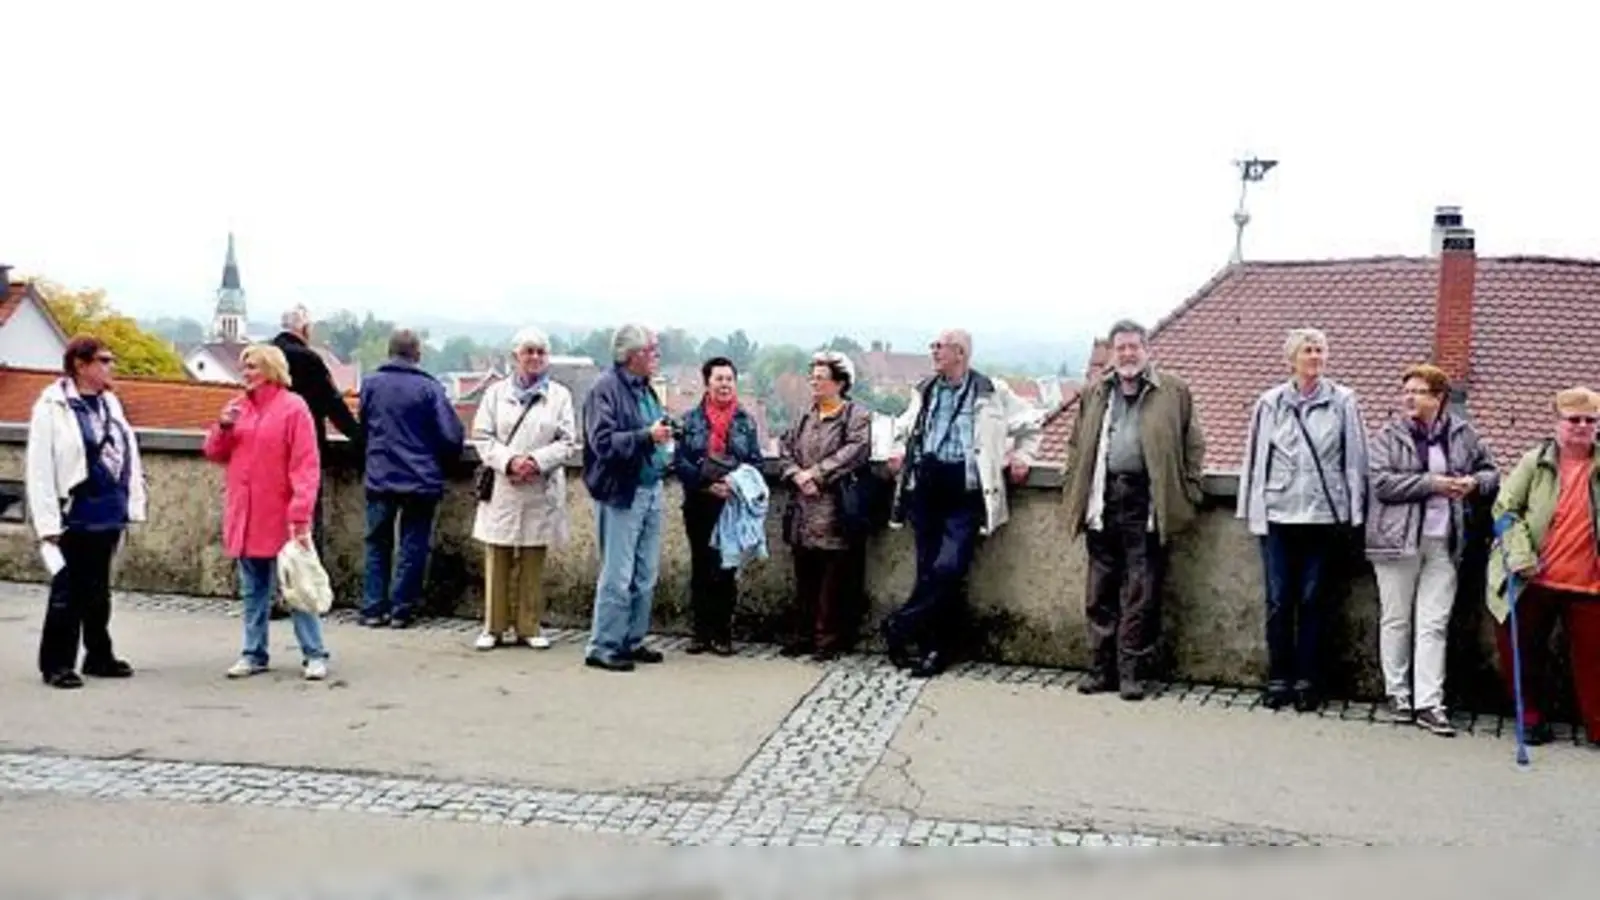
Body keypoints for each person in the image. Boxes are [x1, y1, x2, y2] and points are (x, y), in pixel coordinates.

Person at [883, 328, 1043, 678]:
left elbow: (1032, 423)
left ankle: (900, 625)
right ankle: (932, 648)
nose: (934, 352)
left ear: (960, 353)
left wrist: (1023, 456)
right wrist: (897, 450)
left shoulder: (990, 391)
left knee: (948, 567)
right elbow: (904, 429)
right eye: (933, 346)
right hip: (926, 487)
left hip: (966, 490)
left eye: (940, 347)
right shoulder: (926, 390)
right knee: (929, 569)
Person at [1062, 320, 1206, 701]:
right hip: (1103, 498)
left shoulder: (1173, 391)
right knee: (1100, 590)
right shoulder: (1095, 392)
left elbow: (1194, 445)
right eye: (1120, 347)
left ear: (1147, 350)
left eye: (1134, 347)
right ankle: (1100, 669)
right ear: (1111, 353)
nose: (1127, 354)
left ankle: (1132, 672)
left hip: (1147, 500)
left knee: (1141, 592)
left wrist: (1189, 492)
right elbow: (1076, 445)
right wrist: (1071, 486)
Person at [1237, 328, 1369, 712]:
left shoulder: (1343, 401)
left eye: (1320, 350)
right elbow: (1255, 458)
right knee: (1279, 600)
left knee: (1314, 599)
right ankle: (1279, 677)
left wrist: (1353, 511)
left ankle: (1309, 680)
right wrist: (1252, 510)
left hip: (1322, 515)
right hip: (1279, 513)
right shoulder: (1269, 403)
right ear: (1291, 359)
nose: (1314, 356)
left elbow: (1354, 459)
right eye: (1307, 350)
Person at [1365, 364, 1497, 736]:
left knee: (1434, 623)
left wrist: (1473, 482)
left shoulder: (1463, 433)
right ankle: (1398, 694)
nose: (1409, 397)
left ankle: (1429, 702)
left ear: (1439, 398)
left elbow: (1492, 472)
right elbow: (1381, 483)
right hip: (1396, 541)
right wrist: (1432, 484)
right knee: (1396, 619)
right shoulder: (1388, 435)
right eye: (1406, 390)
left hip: (1445, 541)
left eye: (1419, 391)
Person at [203, 344, 331, 681]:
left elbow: (306, 465)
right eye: (244, 366)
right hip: (246, 513)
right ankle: (253, 651)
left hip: (280, 512)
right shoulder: (237, 408)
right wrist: (223, 427)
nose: (245, 372)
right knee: (253, 590)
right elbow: (215, 452)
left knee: (296, 585)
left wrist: (300, 512)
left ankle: (314, 652)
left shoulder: (294, 408)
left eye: (253, 366)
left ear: (272, 369)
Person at [25, 336, 148, 689]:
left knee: (98, 590)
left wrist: (132, 502)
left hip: (108, 509)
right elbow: (40, 468)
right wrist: (47, 522)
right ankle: (57, 663)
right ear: (81, 364)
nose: (111, 367)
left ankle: (98, 653)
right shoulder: (52, 406)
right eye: (104, 361)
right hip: (74, 511)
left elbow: (127, 454)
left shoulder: (110, 403)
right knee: (68, 590)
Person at [1488, 387, 1600, 746]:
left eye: (1590, 420)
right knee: (1519, 648)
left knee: (1593, 663)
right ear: (1557, 423)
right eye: (1573, 419)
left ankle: (1596, 725)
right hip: (1534, 577)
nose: (1581, 426)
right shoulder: (1534, 462)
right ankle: (1530, 716)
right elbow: (1505, 511)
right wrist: (1519, 556)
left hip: (1589, 583)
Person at [470, 327, 577, 651]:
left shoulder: (560, 396)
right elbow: (482, 436)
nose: (534, 358)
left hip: (539, 486)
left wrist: (535, 461)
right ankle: (494, 626)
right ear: (516, 357)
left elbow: (568, 441)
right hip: (504, 486)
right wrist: (510, 461)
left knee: (533, 556)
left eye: (540, 352)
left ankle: (529, 626)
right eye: (528, 352)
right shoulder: (495, 394)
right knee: (498, 554)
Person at [358, 329, 465, 629]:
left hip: (380, 476)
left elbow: (363, 428)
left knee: (377, 542)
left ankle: (372, 608)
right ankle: (401, 609)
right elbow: (451, 435)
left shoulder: (371, 384)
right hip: (420, 479)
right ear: (417, 354)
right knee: (412, 544)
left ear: (390, 352)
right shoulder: (429, 389)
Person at [581, 324, 673, 672]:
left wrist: (661, 434)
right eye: (653, 349)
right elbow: (602, 443)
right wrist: (646, 436)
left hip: (651, 488)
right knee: (617, 574)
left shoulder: (645, 388)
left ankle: (631, 639)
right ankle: (603, 645)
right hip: (622, 491)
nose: (658, 356)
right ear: (634, 355)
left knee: (645, 573)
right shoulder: (604, 389)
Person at [778, 350, 873, 661]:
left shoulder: (855, 416)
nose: (814, 383)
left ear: (840, 383)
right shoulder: (804, 415)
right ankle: (802, 634)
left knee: (833, 581)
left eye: (821, 378)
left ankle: (828, 638)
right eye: (813, 378)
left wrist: (817, 474)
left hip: (835, 507)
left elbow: (855, 451)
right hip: (803, 509)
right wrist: (796, 475)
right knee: (804, 575)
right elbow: (785, 448)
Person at [672, 356, 765, 656]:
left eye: (729, 379)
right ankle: (700, 633)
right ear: (707, 383)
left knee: (726, 569)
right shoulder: (690, 420)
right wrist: (704, 483)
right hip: (700, 503)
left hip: (731, 505)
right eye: (719, 379)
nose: (725, 385)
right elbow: (679, 462)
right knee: (701, 566)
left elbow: (755, 463)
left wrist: (733, 485)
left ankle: (723, 633)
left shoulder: (745, 422)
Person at [271, 304, 363, 555]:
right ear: (305, 329)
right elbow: (331, 402)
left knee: (272, 525)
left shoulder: (267, 356)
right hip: (305, 448)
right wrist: (358, 436)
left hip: (270, 450)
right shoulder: (307, 359)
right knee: (306, 522)